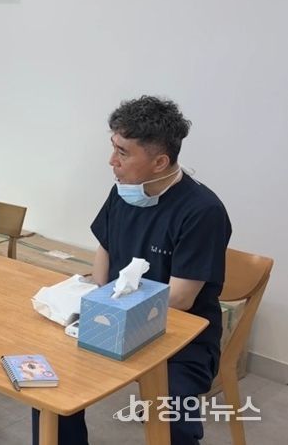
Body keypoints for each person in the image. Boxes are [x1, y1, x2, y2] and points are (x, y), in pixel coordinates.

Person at [32, 96, 231, 445]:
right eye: (113, 148)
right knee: (48, 382)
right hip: (111, 317)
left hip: (178, 337)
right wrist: (94, 303)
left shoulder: (202, 211)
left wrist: (111, 312)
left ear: (160, 162)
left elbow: (181, 299)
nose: (112, 161)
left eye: (123, 152)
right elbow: (105, 251)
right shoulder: (124, 192)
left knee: (172, 416)